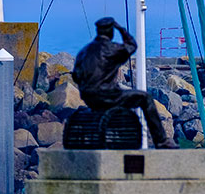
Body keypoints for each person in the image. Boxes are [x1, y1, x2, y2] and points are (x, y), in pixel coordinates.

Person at [73, 16, 178, 149]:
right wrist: (121, 29)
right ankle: (161, 140)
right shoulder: (111, 49)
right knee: (145, 98)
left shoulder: (84, 51)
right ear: (111, 32)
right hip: (107, 96)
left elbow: (76, 76)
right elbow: (132, 45)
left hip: (89, 97)